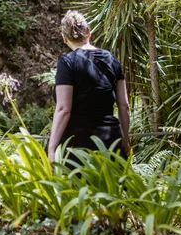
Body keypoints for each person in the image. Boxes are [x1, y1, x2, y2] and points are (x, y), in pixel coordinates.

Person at [47, 10, 131, 163]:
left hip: (77, 147)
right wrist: (125, 139)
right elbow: (124, 105)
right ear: (89, 33)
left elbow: (64, 109)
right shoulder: (112, 60)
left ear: (65, 39)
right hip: (111, 143)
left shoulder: (67, 63)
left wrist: (51, 149)